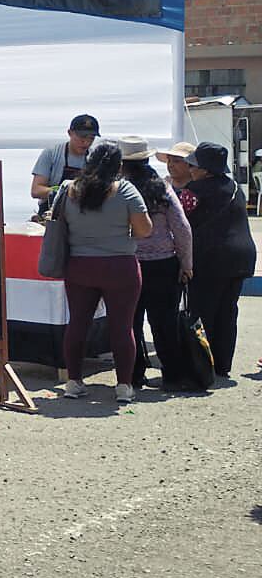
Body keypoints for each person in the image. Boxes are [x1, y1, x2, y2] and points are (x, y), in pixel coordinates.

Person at [55, 141, 152, 403]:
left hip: (79, 266)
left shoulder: (69, 189)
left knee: (77, 323)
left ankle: (73, 382)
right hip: (120, 266)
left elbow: (57, 223)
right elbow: (144, 230)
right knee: (123, 327)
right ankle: (123, 386)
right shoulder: (127, 190)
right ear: (119, 166)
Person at [119, 137, 194, 390]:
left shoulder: (118, 190)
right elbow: (182, 227)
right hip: (164, 263)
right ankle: (172, 374)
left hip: (129, 263)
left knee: (131, 322)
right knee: (164, 323)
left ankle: (134, 374)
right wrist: (186, 263)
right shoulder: (162, 188)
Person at [182, 141, 256, 379]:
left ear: (205, 169)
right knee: (227, 312)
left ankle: (202, 366)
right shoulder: (234, 185)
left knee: (203, 312)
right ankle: (222, 365)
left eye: (194, 164)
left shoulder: (195, 189)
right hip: (241, 256)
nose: (190, 168)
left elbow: (181, 221)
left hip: (210, 258)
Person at [30, 114, 99, 215]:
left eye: (91, 138)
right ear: (70, 133)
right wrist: (63, 191)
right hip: (51, 214)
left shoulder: (94, 159)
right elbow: (36, 190)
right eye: (82, 137)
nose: (86, 142)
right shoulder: (51, 153)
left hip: (83, 215)